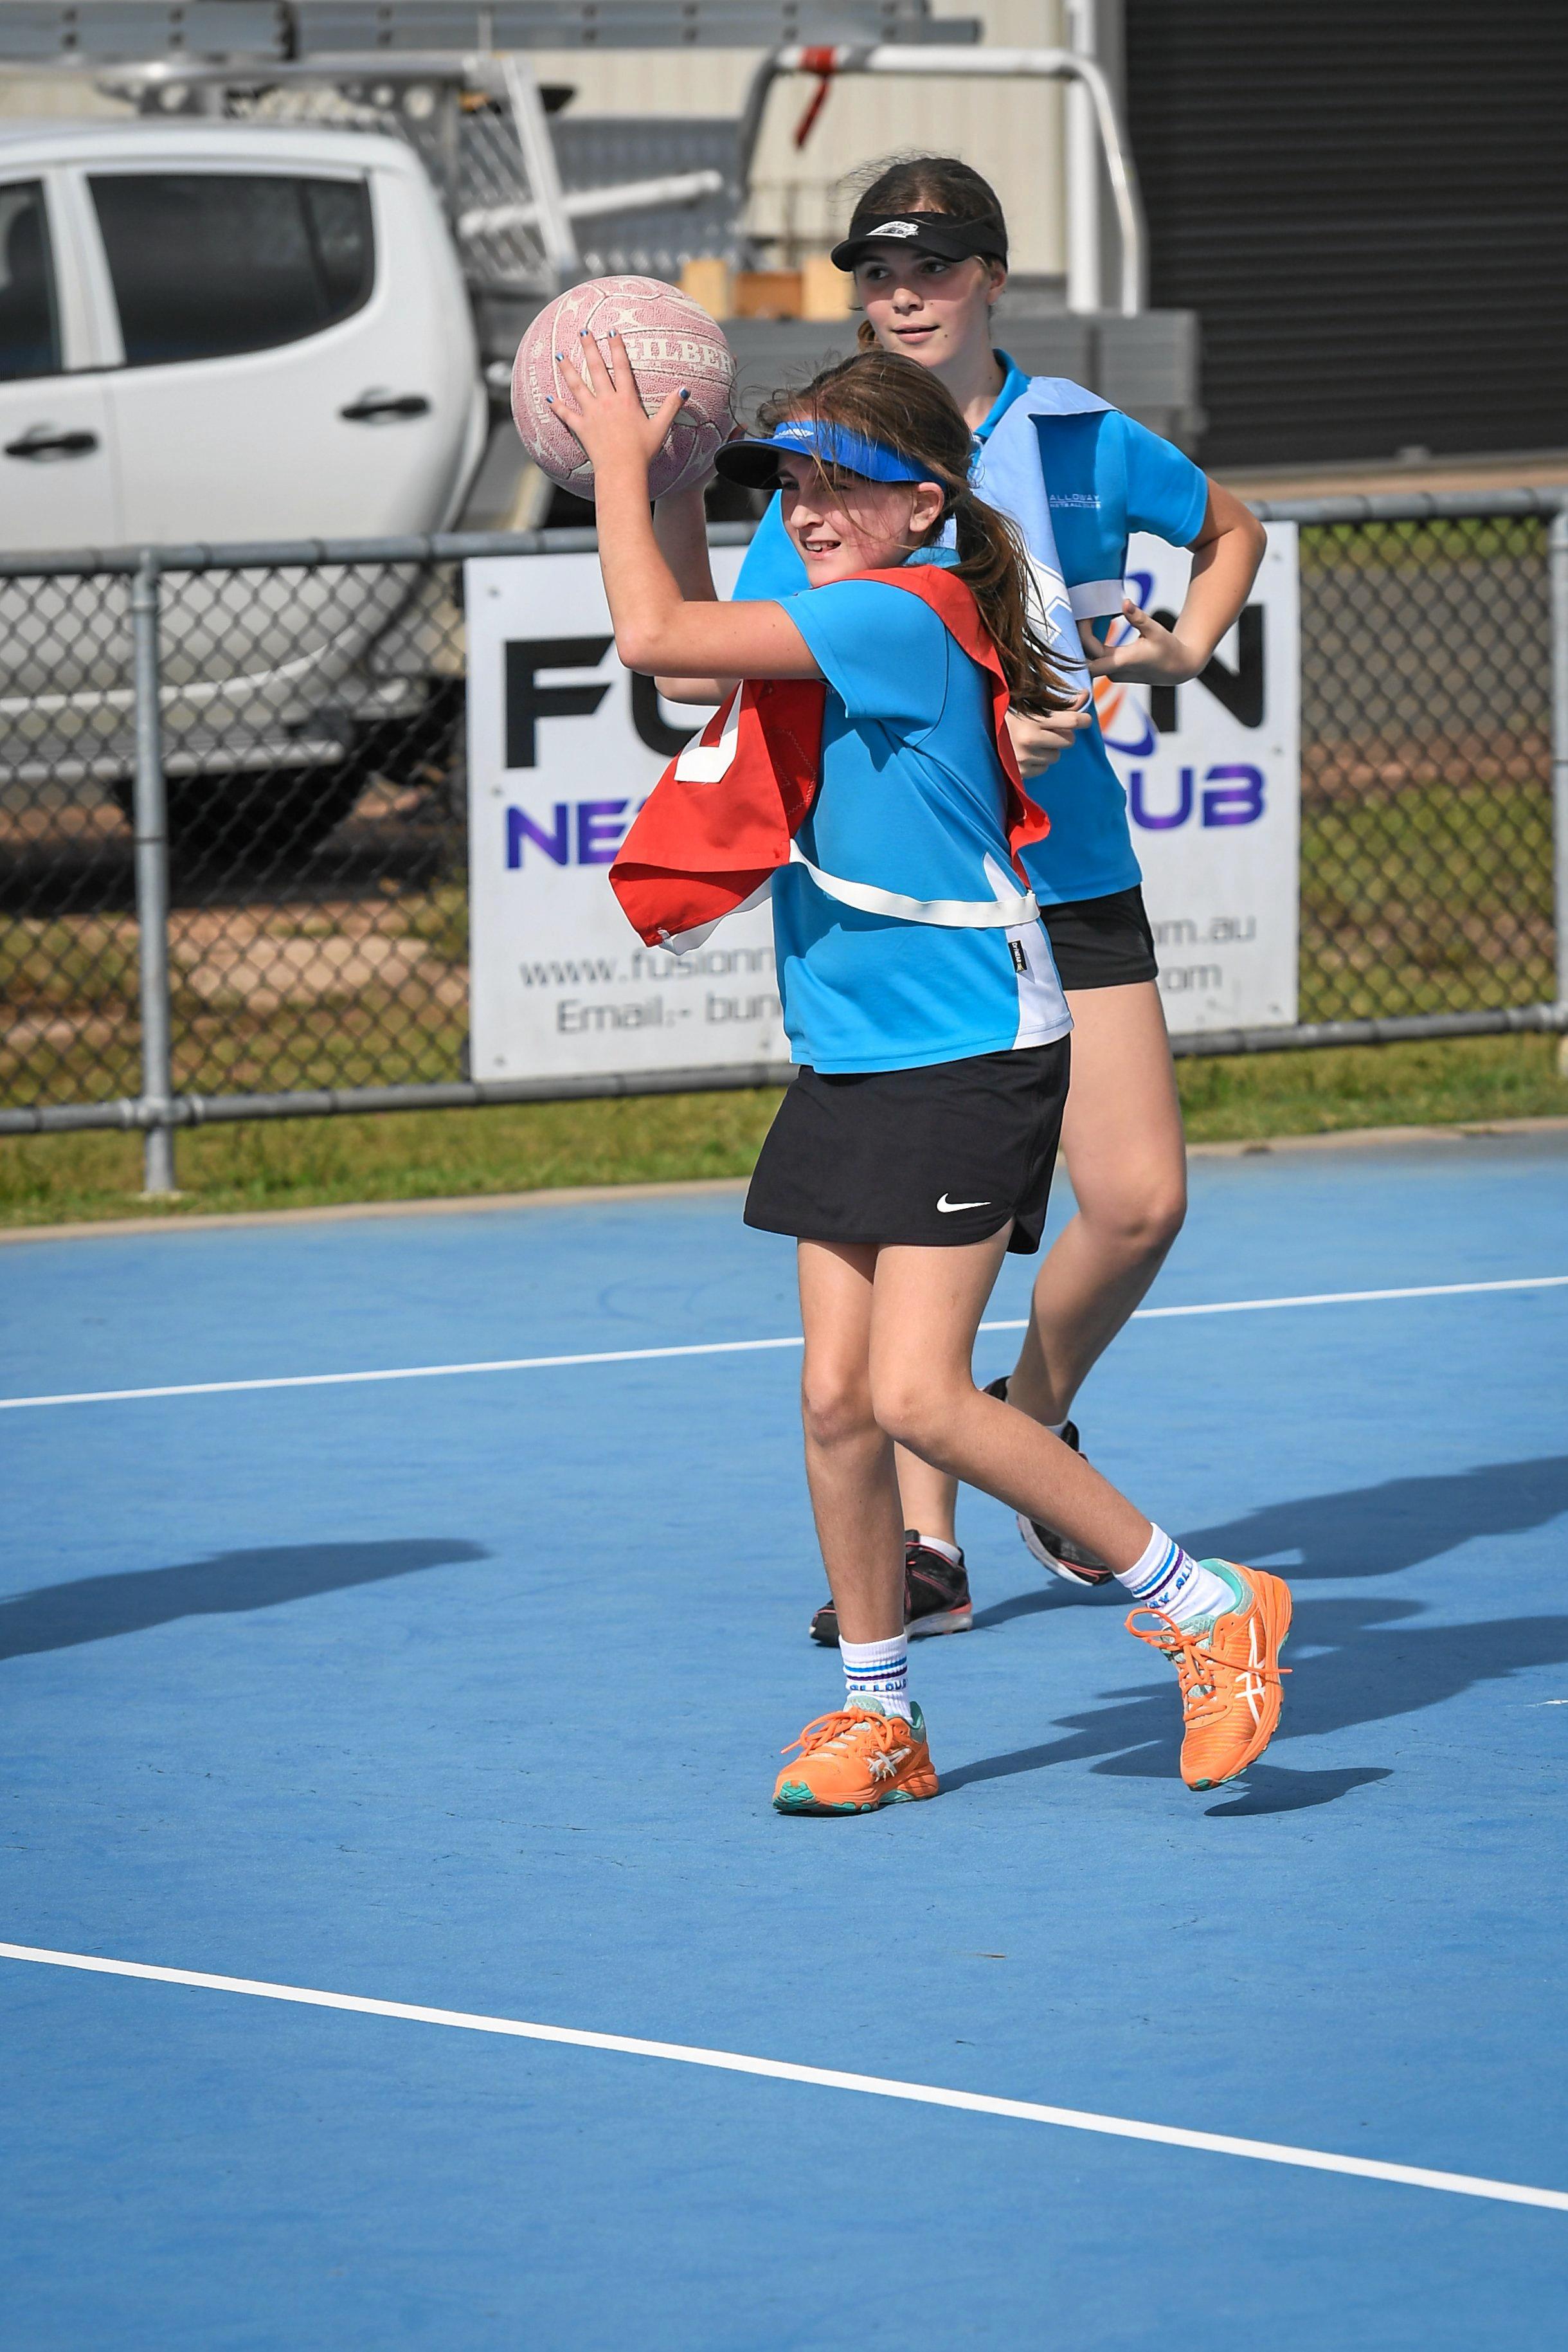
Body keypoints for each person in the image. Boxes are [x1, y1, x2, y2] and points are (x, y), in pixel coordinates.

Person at [553, 329, 1291, 1810]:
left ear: (923, 504)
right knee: (834, 1398)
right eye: (791, 483)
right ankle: (878, 1712)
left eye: (846, 482)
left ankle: (1205, 1606)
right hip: (850, 1048)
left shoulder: (902, 610)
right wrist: (690, 482)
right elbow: (700, 636)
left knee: (916, 1395)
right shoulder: (836, 596)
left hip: (968, 1045)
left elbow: (652, 641)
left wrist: (623, 472)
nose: (812, 507)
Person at [727, 156, 1268, 1640]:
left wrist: (1177, 647)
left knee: (1142, 1199)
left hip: (1072, 872)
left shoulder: (1083, 439)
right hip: (925, 907)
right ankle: (927, 1542)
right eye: (880, 271)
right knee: (906, 1259)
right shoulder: (834, 457)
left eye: (937, 266)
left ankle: (1018, 1426)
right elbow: (755, 654)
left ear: (992, 278)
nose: (904, 293)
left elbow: (1231, 529)